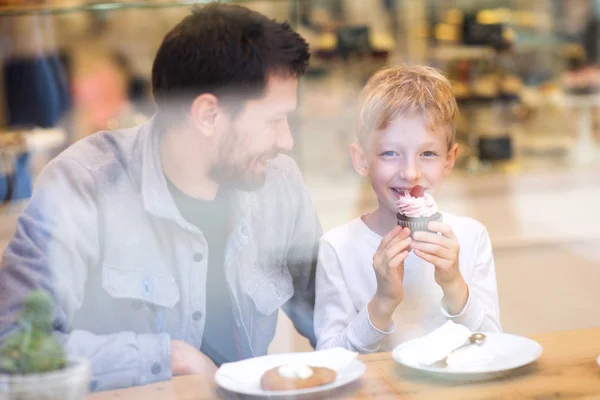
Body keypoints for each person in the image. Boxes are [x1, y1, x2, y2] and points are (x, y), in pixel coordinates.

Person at [0, 3, 321, 391]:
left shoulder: (278, 183)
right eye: (273, 120)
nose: (286, 141)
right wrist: (166, 357)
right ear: (207, 115)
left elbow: (330, 321)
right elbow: (14, 345)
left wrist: (381, 301)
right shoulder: (83, 186)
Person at [314, 65, 501, 353]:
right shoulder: (338, 248)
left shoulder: (470, 237)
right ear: (362, 160)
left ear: (449, 160)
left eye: (427, 153)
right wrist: (383, 302)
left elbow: (494, 345)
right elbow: (331, 358)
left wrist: (453, 284)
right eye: (390, 153)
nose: (411, 172)